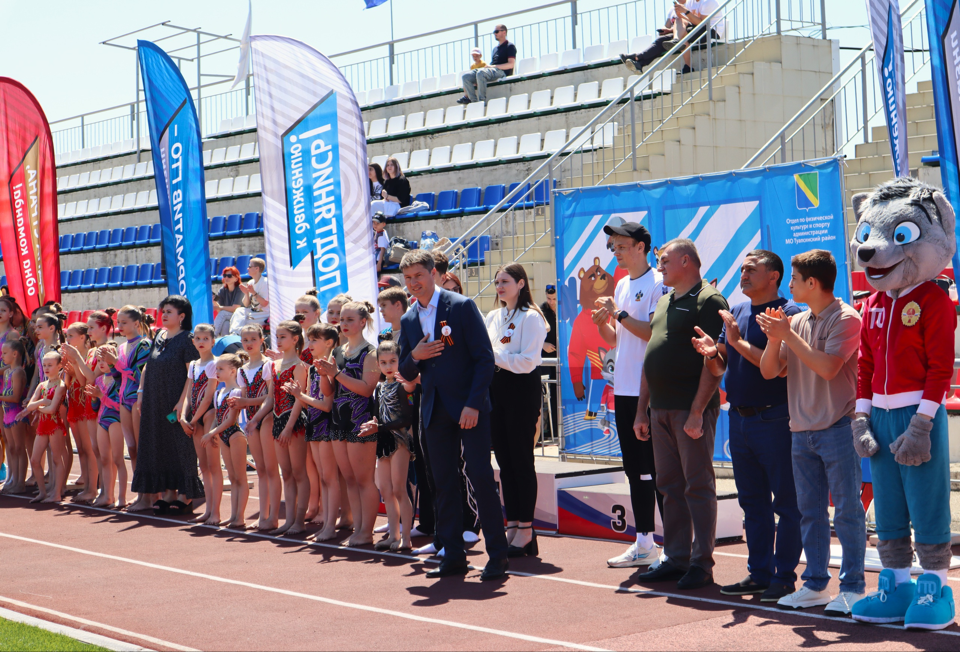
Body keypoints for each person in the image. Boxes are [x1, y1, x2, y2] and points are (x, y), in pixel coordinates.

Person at [758, 249, 865, 615]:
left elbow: (828, 368)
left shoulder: (847, 318)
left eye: (794, 279)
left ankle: (853, 587)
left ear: (812, 283)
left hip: (839, 428)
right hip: (800, 430)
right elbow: (769, 372)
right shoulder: (796, 322)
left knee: (847, 511)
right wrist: (776, 338)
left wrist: (787, 334)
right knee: (810, 513)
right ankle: (816, 585)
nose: (789, 285)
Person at [691, 250, 802, 603]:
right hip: (739, 419)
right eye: (742, 269)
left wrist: (737, 341)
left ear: (774, 276)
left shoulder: (789, 313)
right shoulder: (737, 311)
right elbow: (720, 367)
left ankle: (784, 578)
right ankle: (759, 574)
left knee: (787, 504)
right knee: (752, 503)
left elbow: (778, 368)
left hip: (776, 418)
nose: (744, 274)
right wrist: (712, 352)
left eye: (751, 269)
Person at [397, 250, 509, 581]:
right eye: (407, 278)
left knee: (480, 479)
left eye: (418, 275)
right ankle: (453, 555)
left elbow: (484, 359)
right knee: (443, 483)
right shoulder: (408, 319)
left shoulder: (460, 306)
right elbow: (405, 369)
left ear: (433, 273)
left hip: (469, 409)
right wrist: (415, 356)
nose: (413, 283)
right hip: (433, 411)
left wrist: (473, 404)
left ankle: (498, 556)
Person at [634, 238, 728, 590]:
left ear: (686, 261)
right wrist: (642, 411)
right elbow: (652, 357)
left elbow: (715, 362)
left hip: (690, 411)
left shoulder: (710, 300)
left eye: (664, 260)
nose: (658, 266)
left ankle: (701, 564)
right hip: (659, 410)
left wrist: (697, 411)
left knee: (697, 486)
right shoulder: (664, 300)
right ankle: (676, 558)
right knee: (669, 486)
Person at [591, 222, 665, 569]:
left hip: (648, 390)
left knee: (657, 470)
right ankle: (644, 543)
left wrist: (618, 313)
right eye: (613, 247)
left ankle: (674, 545)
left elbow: (653, 333)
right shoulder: (621, 284)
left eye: (621, 246)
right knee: (635, 470)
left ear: (641, 247)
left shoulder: (659, 282)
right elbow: (617, 340)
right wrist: (603, 323)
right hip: (623, 389)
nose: (616, 253)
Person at [484, 263, 547, 557]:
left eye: (505, 281)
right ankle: (513, 524)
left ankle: (526, 528)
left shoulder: (532, 317)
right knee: (505, 462)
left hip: (521, 391)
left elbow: (527, 362)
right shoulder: (493, 316)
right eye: (497, 282)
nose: (499, 287)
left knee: (521, 460)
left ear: (521, 283)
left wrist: (493, 355)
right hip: (497, 391)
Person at [131, 296, 204, 516]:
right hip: (154, 400)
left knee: (181, 446)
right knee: (161, 445)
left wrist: (182, 402)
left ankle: (185, 495)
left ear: (182, 316)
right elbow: (148, 366)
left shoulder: (188, 339)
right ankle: (169, 493)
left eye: (169, 312)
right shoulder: (159, 335)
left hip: (176, 400)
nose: (163, 315)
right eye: (163, 311)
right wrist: (141, 392)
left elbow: (192, 374)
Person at [318, 301, 379, 547]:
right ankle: (358, 527)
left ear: (363, 322)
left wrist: (335, 373)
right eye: (342, 319)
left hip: (360, 420)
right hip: (338, 420)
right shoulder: (337, 352)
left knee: (364, 479)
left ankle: (367, 531)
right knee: (350, 479)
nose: (343, 324)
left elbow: (366, 389)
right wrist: (323, 375)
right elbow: (329, 392)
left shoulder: (371, 352)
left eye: (350, 319)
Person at [286, 323, 341, 541]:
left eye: (314, 340)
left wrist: (300, 395)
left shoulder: (332, 365)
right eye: (309, 339)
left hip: (327, 425)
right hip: (314, 424)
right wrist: (300, 395)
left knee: (329, 477)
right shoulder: (310, 369)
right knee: (323, 477)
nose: (309, 344)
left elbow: (327, 405)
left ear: (329, 343)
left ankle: (331, 525)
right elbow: (311, 401)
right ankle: (326, 523)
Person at [359, 340, 416, 552]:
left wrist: (379, 426)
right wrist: (372, 424)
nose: (388, 366)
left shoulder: (403, 385)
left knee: (399, 489)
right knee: (386, 489)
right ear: (378, 365)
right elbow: (377, 414)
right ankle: (393, 535)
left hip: (399, 440)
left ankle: (406, 538)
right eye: (383, 362)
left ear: (401, 361)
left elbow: (407, 418)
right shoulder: (380, 387)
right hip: (383, 440)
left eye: (393, 361)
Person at [101, 306, 153, 512]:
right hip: (124, 399)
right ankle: (140, 493)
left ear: (136, 323)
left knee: (141, 448)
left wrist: (115, 362)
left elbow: (140, 375)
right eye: (118, 322)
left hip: (138, 399)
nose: (120, 326)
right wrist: (111, 364)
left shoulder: (145, 345)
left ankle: (149, 496)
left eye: (124, 322)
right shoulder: (122, 347)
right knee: (131, 449)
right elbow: (118, 377)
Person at [233, 324, 280, 532]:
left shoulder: (269, 365)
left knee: (271, 469)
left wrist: (246, 403)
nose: (249, 343)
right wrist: (237, 404)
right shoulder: (242, 370)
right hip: (251, 420)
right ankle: (263, 515)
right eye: (245, 340)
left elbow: (271, 397)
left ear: (262, 340)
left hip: (267, 418)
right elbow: (244, 398)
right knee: (261, 470)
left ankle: (273, 517)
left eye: (253, 339)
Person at [268, 321, 310, 536]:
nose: (278, 340)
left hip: (294, 422)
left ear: (295, 339)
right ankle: (290, 520)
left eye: (283, 336)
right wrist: (255, 420)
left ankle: (300, 521)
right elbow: (271, 398)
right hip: (277, 421)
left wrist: (289, 427)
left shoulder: (300, 366)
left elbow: (300, 399)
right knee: (286, 473)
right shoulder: (274, 365)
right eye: (277, 336)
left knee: (299, 472)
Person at [620, 0, 723, 75]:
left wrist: (686, 12)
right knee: (662, 40)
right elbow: (688, 21)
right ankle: (639, 61)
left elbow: (702, 23)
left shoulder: (708, 1)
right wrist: (672, 27)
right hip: (695, 29)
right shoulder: (691, 2)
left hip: (711, 30)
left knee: (683, 35)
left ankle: (686, 63)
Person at [205, 353, 248, 529]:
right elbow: (218, 416)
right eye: (217, 369)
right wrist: (213, 431)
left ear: (232, 371)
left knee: (240, 477)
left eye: (221, 369)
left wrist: (211, 433)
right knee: (232, 477)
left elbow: (231, 420)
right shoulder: (218, 392)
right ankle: (233, 515)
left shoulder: (236, 392)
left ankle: (240, 517)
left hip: (235, 434)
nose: (217, 372)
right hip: (223, 435)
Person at [183, 324, 220, 525]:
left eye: (206, 338)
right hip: (195, 416)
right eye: (198, 338)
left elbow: (208, 397)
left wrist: (193, 419)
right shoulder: (194, 365)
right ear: (193, 341)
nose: (202, 342)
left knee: (213, 465)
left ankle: (216, 512)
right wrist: (183, 416)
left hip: (209, 414)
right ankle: (208, 510)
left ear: (213, 341)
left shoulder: (215, 363)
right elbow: (189, 394)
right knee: (203, 466)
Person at [25, 349, 67, 504]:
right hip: (42, 425)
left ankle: (57, 493)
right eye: (44, 365)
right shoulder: (42, 385)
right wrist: (42, 402)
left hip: (55, 425)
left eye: (50, 365)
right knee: (35, 460)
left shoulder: (60, 386)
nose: (46, 368)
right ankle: (42, 492)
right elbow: (29, 407)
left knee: (56, 459)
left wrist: (38, 407)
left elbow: (52, 409)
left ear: (59, 366)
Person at [89, 345, 126, 508]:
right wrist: (94, 398)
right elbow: (95, 408)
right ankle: (108, 495)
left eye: (104, 360)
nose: (102, 363)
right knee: (104, 459)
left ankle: (122, 497)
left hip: (115, 420)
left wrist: (100, 396)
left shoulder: (119, 380)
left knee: (118, 459)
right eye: (99, 360)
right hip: (101, 420)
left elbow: (118, 406)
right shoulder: (98, 380)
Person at [459, 24, 516, 104]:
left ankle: (482, 101)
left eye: (496, 31)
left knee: (481, 73)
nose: (495, 34)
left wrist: (494, 66)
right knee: (466, 77)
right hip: (493, 70)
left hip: (502, 72)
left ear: (504, 32)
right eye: (494, 32)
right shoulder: (495, 49)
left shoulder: (510, 46)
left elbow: (511, 64)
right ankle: (473, 101)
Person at [0, 339, 27, 495]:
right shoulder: (7, 372)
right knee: (11, 447)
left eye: (5, 353)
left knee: (19, 448)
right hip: (7, 413)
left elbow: (16, 397)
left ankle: (20, 482)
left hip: (16, 413)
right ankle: (13, 479)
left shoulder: (18, 372)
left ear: (15, 354)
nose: (2, 356)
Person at [230, 258, 270, 333]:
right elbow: (246, 304)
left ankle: (236, 334)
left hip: (263, 313)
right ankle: (234, 333)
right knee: (239, 311)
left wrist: (253, 292)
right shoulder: (250, 282)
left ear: (257, 268)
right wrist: (246, 293)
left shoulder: (265, 282)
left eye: (250, 266)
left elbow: (264, 303)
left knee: (245, 321)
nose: (247, 268)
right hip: (253, 312)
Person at [213, 267, 244, 337]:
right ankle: (226, 343)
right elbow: (220, 309)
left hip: (241, 316)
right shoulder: (222, 290)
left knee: (223, 313)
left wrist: (218, 307)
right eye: (224, 276)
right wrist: (214, 301)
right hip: (229, 316)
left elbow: (235, 308)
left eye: (229, 276)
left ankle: (212, 336)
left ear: (236, 278)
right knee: (226, 324)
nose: (226, 278)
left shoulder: (240, 289)